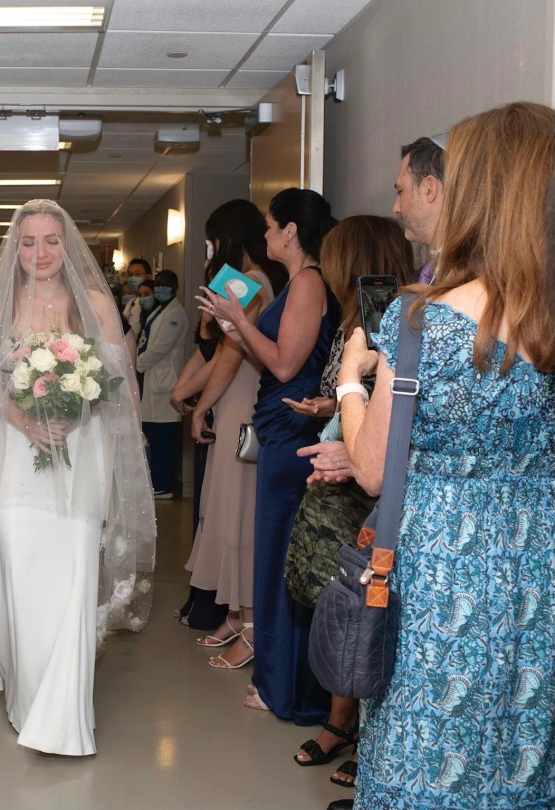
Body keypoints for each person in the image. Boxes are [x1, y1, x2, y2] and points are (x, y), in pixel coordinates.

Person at [340, 102, 555, 810]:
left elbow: (372, 469)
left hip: (443, 576)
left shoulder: (422, 318)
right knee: (523, 760)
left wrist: (350, 382)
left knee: (428, 758)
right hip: (538, 570)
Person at [0, 200, 156, 756]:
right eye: (29, 242)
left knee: (73, 571)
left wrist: (87, 411)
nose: (41, 253)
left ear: (66, 245)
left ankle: (62, 713)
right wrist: (19, 416)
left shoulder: (94, 301)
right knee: (19, 571)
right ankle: (24, 688)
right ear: (14, 248)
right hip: (14, 459)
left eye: (51, 241)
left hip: (80, 455)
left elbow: (121, 379)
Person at [201, 187, 339, 722]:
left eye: (269, 225)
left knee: (282, 552)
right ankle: (280, 676)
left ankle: (286, 685)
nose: (263, 234)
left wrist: (240, 323)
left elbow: (284, 366)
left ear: (290, 232)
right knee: (275, 550)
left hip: (292, 426)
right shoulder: (295, 283)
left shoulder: (306, 282)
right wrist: (238, 325)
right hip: (281, 424)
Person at [284, 216, 412, 783]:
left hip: (370, 489)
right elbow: (349, 397)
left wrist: (345, 445)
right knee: (343, 604)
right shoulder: (351, 321)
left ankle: (364, 734)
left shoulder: (393, 323)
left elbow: (390, 425)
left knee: (369, 610)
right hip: (343, 471)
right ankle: (341, 721)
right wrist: (329, 418)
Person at [175, 200, 283, 639]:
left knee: (235, 507)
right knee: (228, 505)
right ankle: (237, 614)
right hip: (235, 397)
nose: (211, 248)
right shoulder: (257, 280)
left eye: (214, 239)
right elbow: (221, 350)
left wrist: (197, 404)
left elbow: (228, 354)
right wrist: (186, 391)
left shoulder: (246, 282)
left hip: (238, 402)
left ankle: (248, 621)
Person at [137, 269, 189, 499]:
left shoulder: (176, 314)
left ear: (175, 287)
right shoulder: (160, 309)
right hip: (152, 380)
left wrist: (134, 364)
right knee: (153, 434)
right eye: (157, 284)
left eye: (164, 285)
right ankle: (156, 481)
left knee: (161, 438)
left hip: (163, 382)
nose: (159, 288)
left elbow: (159, 348)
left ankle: (163, 485)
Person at [392, 136, 445, 284]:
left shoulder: (478, 279)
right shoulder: (421, 277)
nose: (396, 208)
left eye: (401, 191)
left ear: (429, 189)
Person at [121, 257, 152, 334]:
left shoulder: (149, 302)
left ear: (148, 277)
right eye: (130, 275)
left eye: (137, 274)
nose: (132, 278)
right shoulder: (131, 302)